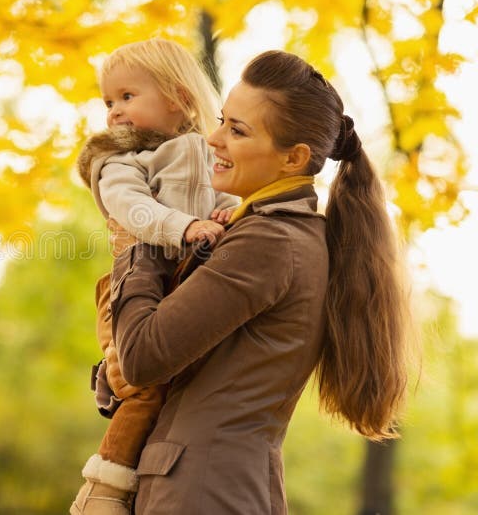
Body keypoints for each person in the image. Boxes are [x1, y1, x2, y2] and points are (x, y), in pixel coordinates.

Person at [103, 50, 411, 514]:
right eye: (223, 120)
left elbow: (145, 356)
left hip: (205, 493)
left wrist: (136, 244)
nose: (212, 138)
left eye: (237, 130)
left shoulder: (270, 241)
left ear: (295, 158)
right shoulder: (260, 230)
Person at [71, 39, 238, 515]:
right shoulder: (120, 162)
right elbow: (136, 209)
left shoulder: (206, 153)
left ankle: (150, 486)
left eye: (127, 97)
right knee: (143, 389)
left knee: (175, 391)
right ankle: (101, 491)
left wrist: (232, 216)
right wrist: (184, 227)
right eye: (108, 102)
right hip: (128, 289)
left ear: (179, 98)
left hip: (178, 284)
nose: (114, 112)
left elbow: (221, 199)